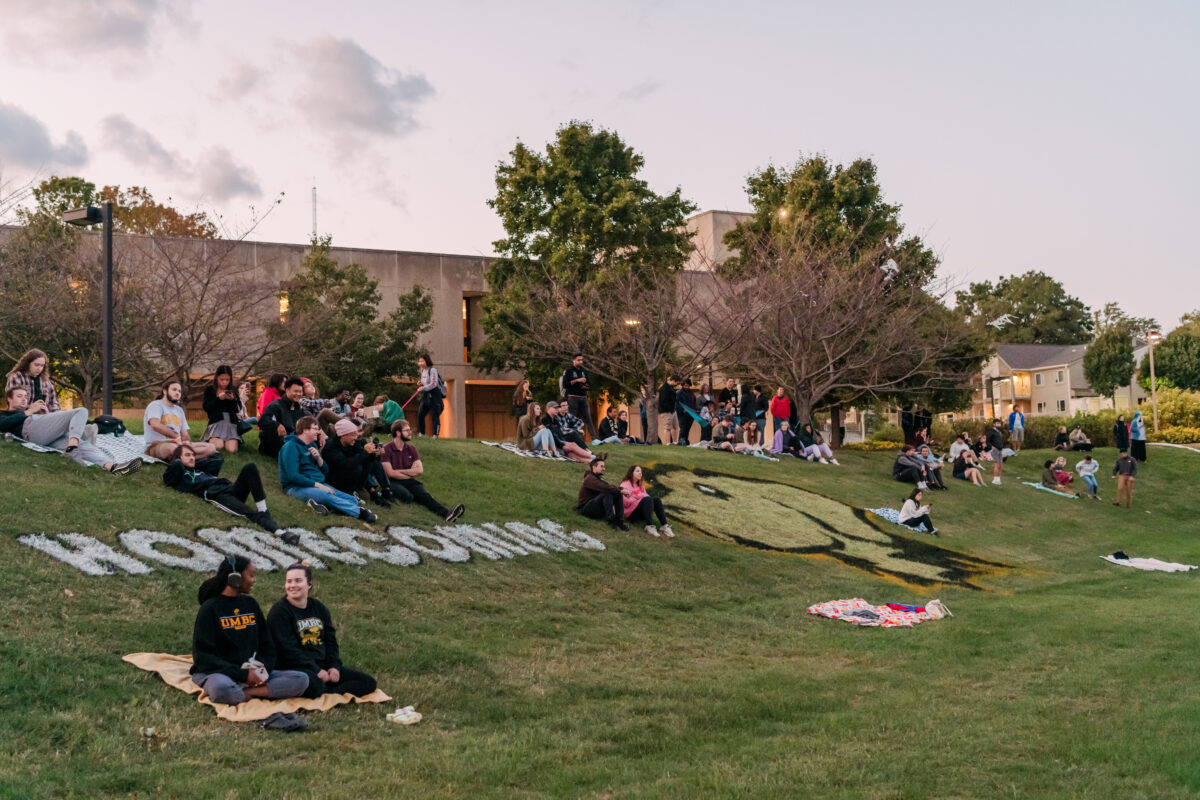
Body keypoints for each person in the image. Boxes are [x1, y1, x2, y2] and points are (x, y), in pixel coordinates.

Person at [191, 555, 309, 708]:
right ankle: (249, 692)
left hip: (251, 672)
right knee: (221, 688)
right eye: (251, 575)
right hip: (219, 673)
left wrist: (262, 670)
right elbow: (203, 657)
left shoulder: (250, 604)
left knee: (302, 679)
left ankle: (248, 694)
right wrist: (243, 675)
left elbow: (267, 645)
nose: (254, 580)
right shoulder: (209, 609)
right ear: (235, 577)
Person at [267, 562, 378, 699]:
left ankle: (327, 693)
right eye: (289, 581)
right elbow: (287, 650)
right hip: (296, 668)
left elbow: (330, 640)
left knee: (368, 682)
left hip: (323, 665)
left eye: (298, 580)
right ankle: (324, 691)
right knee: (312, 684)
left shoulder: (319, 608)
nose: (292, 585)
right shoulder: (279, 612)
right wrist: (316, 670)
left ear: (309, 584)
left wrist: (334, 666)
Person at [164, 443, 297, 541]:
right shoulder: (181, 477)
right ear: (178, 458)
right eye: (187, 455)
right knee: (249, 513)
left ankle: (264, 510)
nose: (192, 458)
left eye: (193, 455)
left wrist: (195, 460)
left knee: (250, 467)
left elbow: (217, 458)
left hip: (229, 487)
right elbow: (172, 470)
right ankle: (281, 533)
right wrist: (179, 460)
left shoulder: (200, 469)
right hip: (217, 494)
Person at [1, 386, 141, 475]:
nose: (24, 400)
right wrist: (29, 412)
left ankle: (112, 466)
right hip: (30, 429)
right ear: (9, 399)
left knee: (82, 444)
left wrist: (47, 416)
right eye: (19, 396)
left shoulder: (29, 412)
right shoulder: (6, 414)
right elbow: (3, 424)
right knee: (81, 411)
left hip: (44, 436)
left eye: (25, 397)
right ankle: (72, 447)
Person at [278, 415, 378, 523]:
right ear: (305, 430)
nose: (319, 432)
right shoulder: (290, 447)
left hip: (318, 483)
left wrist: (319, 459)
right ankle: (360, 513)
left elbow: (325, 471)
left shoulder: (312, 445)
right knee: (327, 496)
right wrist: (318, 485)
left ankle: (320, 505)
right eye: (315, 429)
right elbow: (293, 477)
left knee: (352, 500)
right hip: (296, 487)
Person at [380, 419, 464, 522]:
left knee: (424, 495)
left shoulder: (412, 449)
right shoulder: (386, 449)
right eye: (406, 430)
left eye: (409, 430)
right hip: (393, 482)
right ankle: (415, 498)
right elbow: (390, 473)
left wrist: (399, 471)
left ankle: (447, 514)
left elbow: (419, 470)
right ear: (398, 433)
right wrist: (409, 473)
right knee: (408, 497)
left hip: (409, 481)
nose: (410, 432)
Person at [321, 418, 393, 507]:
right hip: (332, 479)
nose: (356, 437)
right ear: (343, 435)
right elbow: (346, 464)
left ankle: (383, 491)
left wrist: (374, 454)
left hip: (346, 476)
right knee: (357, 467)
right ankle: (348, 493)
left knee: (370, 462)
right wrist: (365, 452)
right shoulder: (331, 446)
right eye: (353, 434)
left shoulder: (352, 443)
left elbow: (366, 457)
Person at [144, 380, 217, 461]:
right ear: (165, 391)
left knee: (211, 447)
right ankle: (190, 457)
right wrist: (176, 436)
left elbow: (184, 433)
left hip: (179, 445)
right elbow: (155, 425)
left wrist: (187, 442)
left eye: (179, 391)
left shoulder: (179, 410)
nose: (177, 393)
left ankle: (183, 457)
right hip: (158, 445)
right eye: (174, 390)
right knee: (173, 448)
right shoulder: (156, 405)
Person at [619, 464, 673, 537]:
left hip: (640, 511)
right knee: (647, 499)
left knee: (656, 499)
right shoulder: (625, 484)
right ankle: (649, 526)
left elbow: (646, 496)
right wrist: (639, 497)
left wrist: (636, 496)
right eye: (637, 471)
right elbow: (625, 502)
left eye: (641, 471)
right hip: (630, 514)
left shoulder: (640, 485)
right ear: (631, 472)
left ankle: (664, 526)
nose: (640, 473)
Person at [576, 454, 626, 530]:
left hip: (595, 507)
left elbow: (607, 486)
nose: (604, 469)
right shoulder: (590, 478)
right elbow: (605, 487)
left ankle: (620, 521)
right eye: (601, 466)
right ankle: (611, 520)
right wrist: (620, 490)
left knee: (617, 493)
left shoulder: (597, 478)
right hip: (586, 509)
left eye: (604, 466)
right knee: (607, 493)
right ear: (594, 467)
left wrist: (620, 489)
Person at [259, 378, 306, 458]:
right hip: (276, 442)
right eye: (295, 391)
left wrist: (319, 430)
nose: (298, 394)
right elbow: (262, 421)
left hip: (292, 440)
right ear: (287, 391)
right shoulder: (275, 405)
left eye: (300, 391)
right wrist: (277, 425)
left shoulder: (299, 408)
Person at [202, 365, 244, 453]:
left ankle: (232, 441)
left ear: (230, 379)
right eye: (222, 379)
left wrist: (233, 400)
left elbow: (237, 409)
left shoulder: (233, 390)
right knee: (218, 446)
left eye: (227, 380)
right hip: (216, 423)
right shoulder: (210, 390)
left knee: (231, 450)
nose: (224, 382)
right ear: (217, 378)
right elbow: (206, 407)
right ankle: (213, 439)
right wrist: (218, 399)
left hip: (231, 424)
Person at [5, 349, 61, 413]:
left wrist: (55, 415)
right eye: (36, 365)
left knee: (73, 413)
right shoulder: (17, 377)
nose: (39, 368)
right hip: (23, 416)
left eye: (42, 365)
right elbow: (15, 403)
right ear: (28, 364)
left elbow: (54, 403)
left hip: (44, 418)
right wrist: (33, 408)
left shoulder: (46, 381)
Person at [562, 354, 598, 442]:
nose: (581, 362)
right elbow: (565, 385)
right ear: (573, 360)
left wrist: (585, 386)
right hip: (572, 397)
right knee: (572, 418)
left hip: (583, 397)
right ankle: (570, 438)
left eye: (582, 360)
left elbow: (589, 384)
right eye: (579, 360)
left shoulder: (584, 371)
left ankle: (594, 439)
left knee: (588, 418)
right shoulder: (568, 371)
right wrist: (577, 380)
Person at [416, 354, 444, 438]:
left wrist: (423, 387)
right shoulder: (422, 370)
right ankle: (422, 433)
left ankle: (436, 434)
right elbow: (425, 382)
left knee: (434, 415)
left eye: (422, 361)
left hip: (434, 395)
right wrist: (420, 383)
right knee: (420, 413)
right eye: (419, 361)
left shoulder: (432, 370)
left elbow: (433, 384)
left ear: (427, 361)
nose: (420, 363)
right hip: (426, 395)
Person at [656, 376, 679, 445]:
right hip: (666, 411)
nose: (676, 384)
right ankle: (668, 443)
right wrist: (668, 410)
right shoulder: (664, 388)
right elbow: (663, 401)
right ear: (672, 380)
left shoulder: (671, 388)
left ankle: (675, 442)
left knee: (675, 426)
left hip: (673, 410)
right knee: (667, 427)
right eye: (675, 382)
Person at [675, 379, 697, 446]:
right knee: (683, 428)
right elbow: (676, 403)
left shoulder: (692, 393)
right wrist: (682, 409)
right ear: (682, 385)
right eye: (685, 385)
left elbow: (694, 403)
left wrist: (694, 411)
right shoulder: (679, 393)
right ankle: (680, 441)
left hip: (691, 414)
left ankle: (685, 442)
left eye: (688, 384)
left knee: (688, 429)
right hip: (682, 414)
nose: (686, 386)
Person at [986, 419, 1005, 485]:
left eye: (999, 423)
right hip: (995, 450)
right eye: (997, 423)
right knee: (996, 465)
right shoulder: (992, 432)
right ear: (994, 424)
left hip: (1000, 450)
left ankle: (998, 479)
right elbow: (987, 441)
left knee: (1000, 465)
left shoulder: (999, 432)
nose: (999, 424)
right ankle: (995, 480)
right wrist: (991, 447)